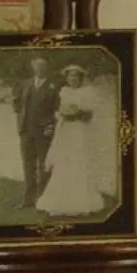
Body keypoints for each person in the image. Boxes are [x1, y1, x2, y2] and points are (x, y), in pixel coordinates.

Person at [34, 67, 104, 220]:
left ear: (80, 79)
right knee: (63, 163)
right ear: (67, 79)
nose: (72, 79)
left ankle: (81, 202)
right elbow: (58, 111)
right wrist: (61, 114)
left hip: (79, 131)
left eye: (75, 77)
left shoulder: (88, 92)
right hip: (65, 131)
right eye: (70, 77)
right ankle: (59, 202)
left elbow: (89, 115)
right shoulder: (63, 91)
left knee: (79, 162)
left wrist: (77, 113)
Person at [12, 55, 62, 209]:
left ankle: (43, 200)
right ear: (33, 67)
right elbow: (17, 104)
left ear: (47, 68)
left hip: (44, 131)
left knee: (44, 166)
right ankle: (28, 200)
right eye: (37, 66)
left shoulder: (54, 86)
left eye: (43, 66)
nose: (39, 69)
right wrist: (19, 114)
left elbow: (57, 109)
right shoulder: (26, 84)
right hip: (26, 131)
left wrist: (50, 126)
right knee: (28, 165)